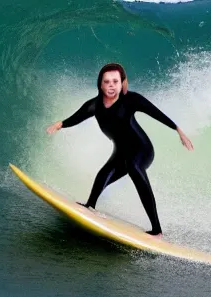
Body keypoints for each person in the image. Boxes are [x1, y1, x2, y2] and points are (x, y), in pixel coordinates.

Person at [46, 63, 193, 237]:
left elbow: (155, 113)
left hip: (142, 150)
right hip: (121, 152)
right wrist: (60, 124)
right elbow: (77, 117)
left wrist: (178, 130)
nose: (111, 85)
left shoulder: (131, 100)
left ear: (122, 83)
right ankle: (90, 206)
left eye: (115, 81)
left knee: (133, 167)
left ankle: (157, 230)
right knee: (103, 175)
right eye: (106, 81)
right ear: (100, 84)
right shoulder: (94, 105)